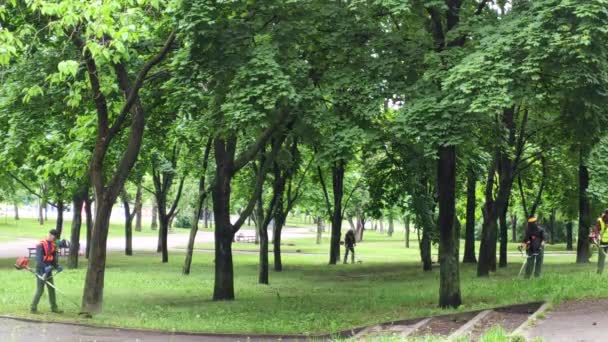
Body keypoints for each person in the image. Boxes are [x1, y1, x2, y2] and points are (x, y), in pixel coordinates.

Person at [31, 229, 63, 314]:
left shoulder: (53, 245)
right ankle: (33, 308)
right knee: (40, 289)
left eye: (54, 237)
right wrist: (45, 268)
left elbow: (52, 260)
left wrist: (57, 266)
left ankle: (54, 308)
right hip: (41, 270)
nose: (53, 238)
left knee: (51, 288)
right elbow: (38, 260)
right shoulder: (40, 245)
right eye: (51, 236)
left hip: (48, 270)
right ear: (49, 234)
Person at [593, 209, 608, 274]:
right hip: (602, 242)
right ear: (606, 214)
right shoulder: (600, 221)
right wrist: (597, 236)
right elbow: (596, 230)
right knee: (602, 257)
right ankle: (599, 272)